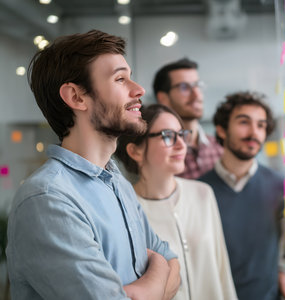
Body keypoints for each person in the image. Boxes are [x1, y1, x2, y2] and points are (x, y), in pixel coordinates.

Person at [6, 30, 180, 300]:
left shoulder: (116, 181)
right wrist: (159, 270)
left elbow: (174, 265)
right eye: (120, 79)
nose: (139, 90)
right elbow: (165, 266)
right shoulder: (48, 199)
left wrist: (151, 281)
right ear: (76, 97)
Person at [115, 104, 237, 300]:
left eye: (182, 134)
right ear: (135, 151)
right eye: (168, 135)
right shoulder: (125, 212)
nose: (182, 145)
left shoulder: (203, 194)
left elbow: (222, 271)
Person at [199, 92, 285, 300]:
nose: (253, 132)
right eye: (244, 122)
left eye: (261, 125)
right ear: (221, 130)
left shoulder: (280, 186)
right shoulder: (199, 191)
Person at [153, 58, 223, 179]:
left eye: (198, 85)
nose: (197, 95)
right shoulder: (158, 153)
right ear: (163, 98)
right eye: (184, 87)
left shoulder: (220, 146)